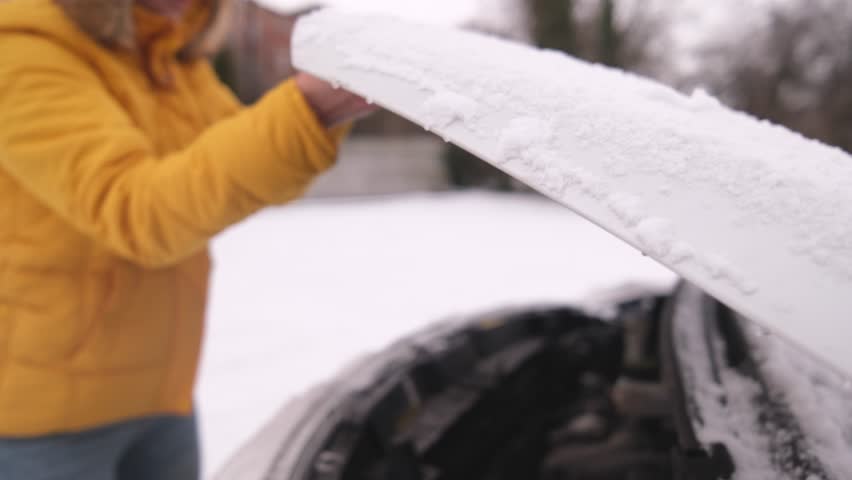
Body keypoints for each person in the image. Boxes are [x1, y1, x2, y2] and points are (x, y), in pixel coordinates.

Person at [0, 0, 375, 478]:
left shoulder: (168, 49)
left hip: (161, 394)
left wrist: (318, 114)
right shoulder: (21, 48)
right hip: (43, 420)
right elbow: (137, 211)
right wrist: (308, 110)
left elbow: (238, 160)